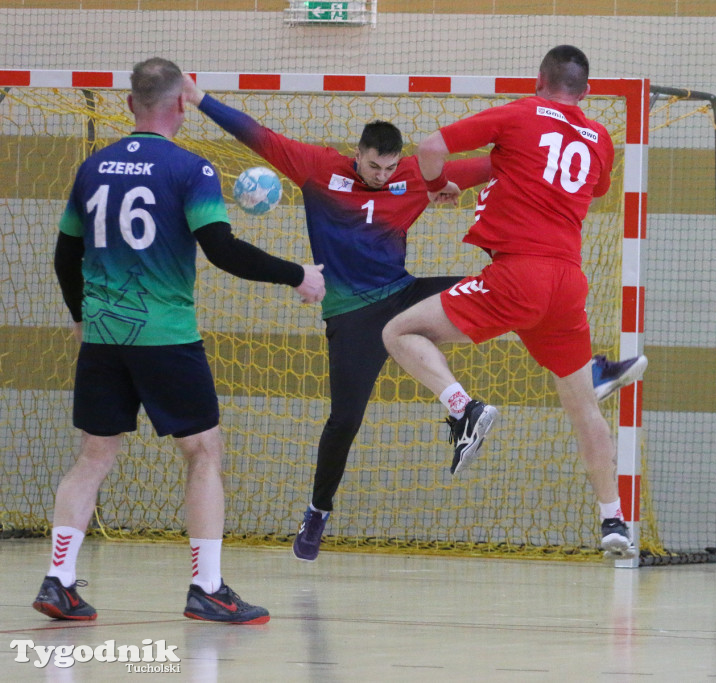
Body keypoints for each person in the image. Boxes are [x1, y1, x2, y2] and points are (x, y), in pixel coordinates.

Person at [182, 76, 648, 562]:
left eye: (388, 166)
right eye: (372, 165)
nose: (382, 175)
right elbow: (257, 134)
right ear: (356, 154)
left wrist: (444, 183)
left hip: (403, 294)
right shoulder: (318, 168)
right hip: (351, 312)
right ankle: (318, 510)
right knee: (344, 420)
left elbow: (494, 162)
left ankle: (542, 383)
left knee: (506, 284)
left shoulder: (410, 175)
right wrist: (199, 99)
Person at [33, 57, 326, 625]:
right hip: (165, 336)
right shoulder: (192, 169)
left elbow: (65, 254)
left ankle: (58, 580)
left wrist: (78, 316)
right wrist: (299, 275)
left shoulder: (91, 168)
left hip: (104, 335)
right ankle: (207, 587)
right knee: (202, 452)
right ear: (179, 106)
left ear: (129, 105)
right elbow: (223, 250)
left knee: (93, 455)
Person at [381, 45, 637, 558]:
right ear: (585, 92)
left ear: (538, 79)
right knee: (582, 404)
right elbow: (596, 186)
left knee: (398, 332)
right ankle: (614, 519)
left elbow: (430, 147)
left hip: (516, 273)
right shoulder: (600, 138)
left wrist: (438, 186)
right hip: (567, 284)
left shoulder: (520, 112)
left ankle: (464, 408)